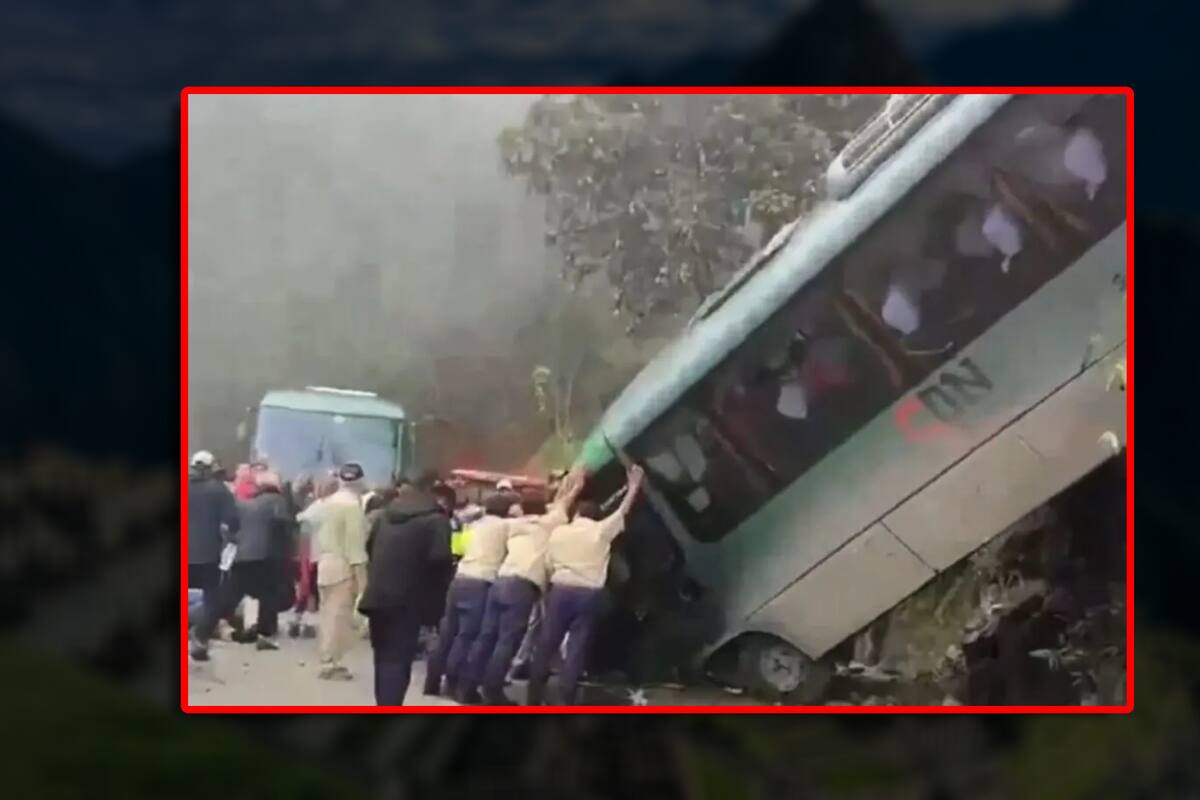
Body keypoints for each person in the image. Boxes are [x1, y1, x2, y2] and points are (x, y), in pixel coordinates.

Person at [458, 471, 584, 705]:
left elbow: (555, 505)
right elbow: (563, 503)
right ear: (543, 509)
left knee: (487, 637)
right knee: (507, 640)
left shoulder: (514, 524)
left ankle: (467, 687)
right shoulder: (548, 524)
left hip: (500, 581)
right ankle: (493, 691)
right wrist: (576, 484)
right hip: (522, 586)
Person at [528, 465, 645, 706]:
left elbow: (548, 560)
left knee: (548, 640)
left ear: (577, 515)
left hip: (560, 590)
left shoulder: (559, 532)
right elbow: (622, 511)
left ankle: (534, 692)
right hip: (589, 594)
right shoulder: (601, 531)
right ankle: (566, 696)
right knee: (577, 644)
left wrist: (573, 485)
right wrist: (634, 486)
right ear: (595, 516)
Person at [358, 471, 454, 705]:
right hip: (410, 600)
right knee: (399, 660)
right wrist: (435, 609)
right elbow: (440, 563)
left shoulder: (385, 515)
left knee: (384, 658)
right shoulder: (436, 521)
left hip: (378, 595)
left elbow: (370, 549)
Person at [423, 491, 518, 698]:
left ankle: (432, 681)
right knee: (467, 635)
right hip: (481, 581)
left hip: (460, 578)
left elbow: (458, 548)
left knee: (447, 631)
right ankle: (453, 682)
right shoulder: (506, 527)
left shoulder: (473, 525)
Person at [192, 469, 296, 654]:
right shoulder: (276, 501)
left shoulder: (240, 501)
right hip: (264, 556)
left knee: (227, 598)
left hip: (240, 556)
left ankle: (202, 632)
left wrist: (232, 542)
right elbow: (283, 529)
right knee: (268, 596)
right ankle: (265, 635)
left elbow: (229, 527)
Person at [312, 462, 370, 681]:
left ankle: (327, 658)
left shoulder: (327, 502)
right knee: (339, 617)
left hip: (325, 564)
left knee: (327, 615)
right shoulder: (352, 506)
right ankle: (332, 663)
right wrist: (362, 579)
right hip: (343, 567)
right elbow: (355, 545)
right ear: (360, 481)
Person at [187, 450, 239, 661]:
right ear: (210, 468)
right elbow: (232, 522)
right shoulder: (219, 490)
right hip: (207, 554)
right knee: (214, 599)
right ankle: (200, 638)